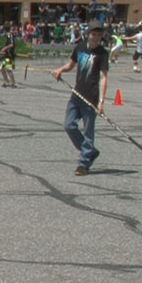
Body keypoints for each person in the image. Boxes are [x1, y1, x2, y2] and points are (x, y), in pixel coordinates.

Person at [51, 20, 108, 176]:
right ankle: (89, 151)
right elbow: (71, 65)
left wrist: (102, 101)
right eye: (93, 34)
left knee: (88, 131)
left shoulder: (102, 54)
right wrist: (60, 70)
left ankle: (83, 163)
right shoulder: (80, 48)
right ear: (88, 34)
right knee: (69, 125)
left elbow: (103, 78)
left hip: (91, 98)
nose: (96, 37)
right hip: (76, 95)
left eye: (98, 34)